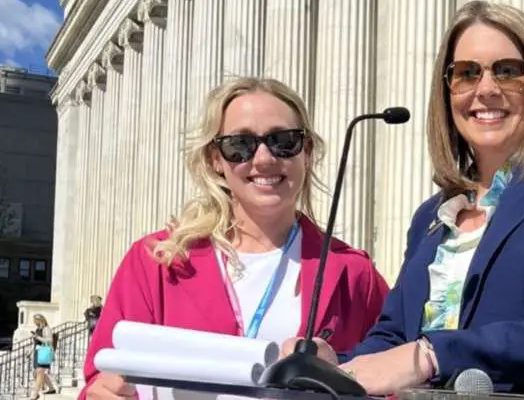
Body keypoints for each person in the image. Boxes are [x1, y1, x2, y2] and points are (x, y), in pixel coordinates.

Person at [333, 1, 524, 396]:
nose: (486, 89)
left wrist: (432, 355)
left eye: (508, 71)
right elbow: (392, 336)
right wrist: (335, 365)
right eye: (466, 73)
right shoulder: (431, 215)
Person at [81, 77, 390, 399]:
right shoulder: (158, 261)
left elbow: (395, 382)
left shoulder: (353, 273)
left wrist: (341, 375)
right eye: (239, 145)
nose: (263, 159)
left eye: (283, 140)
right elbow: (98, 381)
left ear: (307, 151)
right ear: (216, 159)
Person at [31, 314, 57, 399]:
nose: (34, 322)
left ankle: (35, 394)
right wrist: (30, 352)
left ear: (41, 320)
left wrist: (37, 337)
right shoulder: (37, 329)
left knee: (39, 372)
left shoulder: (47, 329)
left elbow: (49, 341)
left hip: (44, 352)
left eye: (36, 321)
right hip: (37, 352)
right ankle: (52, 388)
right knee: (39, 373)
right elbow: (35, 343)